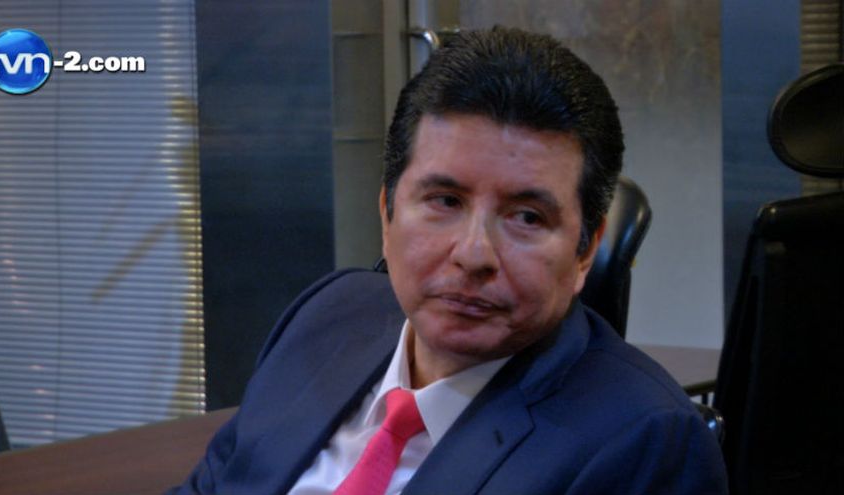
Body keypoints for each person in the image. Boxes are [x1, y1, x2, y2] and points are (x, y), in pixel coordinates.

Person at [170, 27, 728, 494]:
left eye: (527, 217)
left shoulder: (645, 443)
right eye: (445, 201)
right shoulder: (327, 315)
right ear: (387, 212)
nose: (473, 254)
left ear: (586, 249)